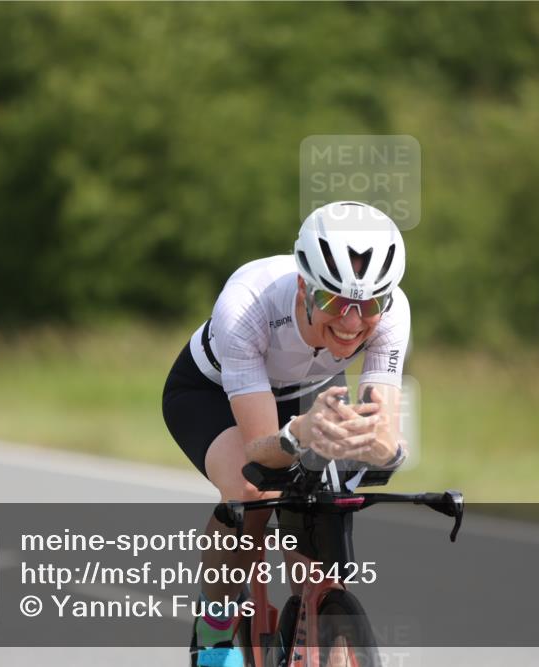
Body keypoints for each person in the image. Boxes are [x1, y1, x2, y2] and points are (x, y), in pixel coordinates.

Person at [162, 200, 410, 667]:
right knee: (253, 492)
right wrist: (299, 435)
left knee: (324, 507)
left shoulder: (394, 312)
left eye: (369, 304)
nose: (352, 322)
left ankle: (320, 623)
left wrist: (382, 446)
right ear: (304, 286)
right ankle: (212, 633)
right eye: (335, 301)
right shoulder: (246, 306)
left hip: (309, 393)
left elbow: (383, 430)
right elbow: (260, 448)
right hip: (212, 392)